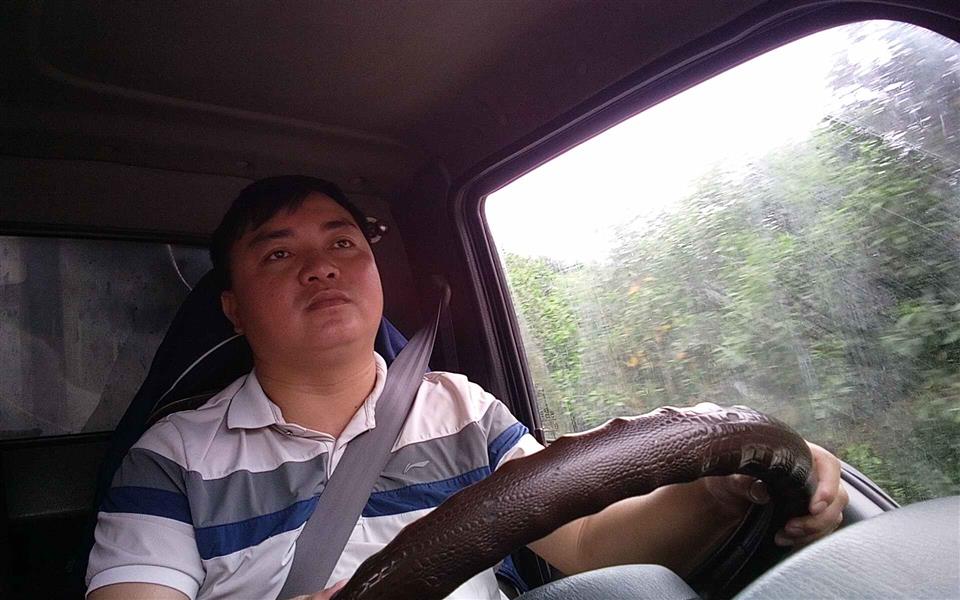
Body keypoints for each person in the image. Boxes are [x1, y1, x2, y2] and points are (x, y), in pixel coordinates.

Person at [86, 176, 848, 600]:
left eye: (343, 242)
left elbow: (586, 543)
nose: (322, 267)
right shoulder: (172, 456)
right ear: (233, 308)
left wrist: (715, 492)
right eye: (279, 255)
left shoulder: (461, 407)